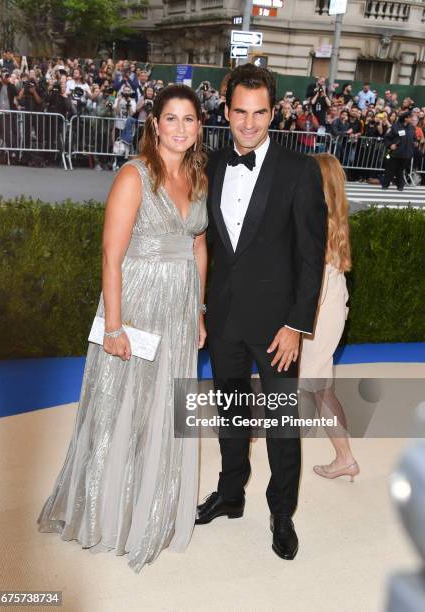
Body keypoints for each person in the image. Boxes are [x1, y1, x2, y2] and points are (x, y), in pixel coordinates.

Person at [37, 84, 208, 573]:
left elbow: (198, 247)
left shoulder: (197, 177)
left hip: (178, 309)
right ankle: (105, 511)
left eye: (188, 120)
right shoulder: (134, 176)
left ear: (199, 128)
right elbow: (111, 256)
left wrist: (198, 309)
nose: (179, 128)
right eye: (170, 119)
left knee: (166, 405)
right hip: (135, 304)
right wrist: (114, 327)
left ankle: (153, 508)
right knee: (122, 404)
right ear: (154, 124)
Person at [196, 64, 327, 561]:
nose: (249, 124)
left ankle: (281, 511)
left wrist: (297, 324)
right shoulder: (209, 165)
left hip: (278, 329)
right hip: (225, 318)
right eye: (239, 112)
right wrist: (200, 309)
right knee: (230, 413)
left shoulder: (299, 170)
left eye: (260, 113)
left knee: (280, 425)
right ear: (226, 112)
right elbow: (203, 244)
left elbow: (311, 257)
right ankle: (231, 495)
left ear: (274, 113)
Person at [300, 153, 359, 482]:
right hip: (327, 307)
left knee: (313, 384)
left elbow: (314, 282)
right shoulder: (331, 216)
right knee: (316, 385)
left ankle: (345, 457)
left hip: (319, 310)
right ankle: (345, 457)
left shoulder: (317, 220)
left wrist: (295, 322)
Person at [381, 110, 416, 191]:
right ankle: (385, 185)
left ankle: (400, 186)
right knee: (390, 169)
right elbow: (386, 138)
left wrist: (415, 142)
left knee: (400, 170)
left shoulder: (411, 127)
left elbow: (414, 138)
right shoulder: (395, 127)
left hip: (407, 154)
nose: (413, 119)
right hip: (396, 153)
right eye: (411, 117)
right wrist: (390, 145)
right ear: (406, 118)